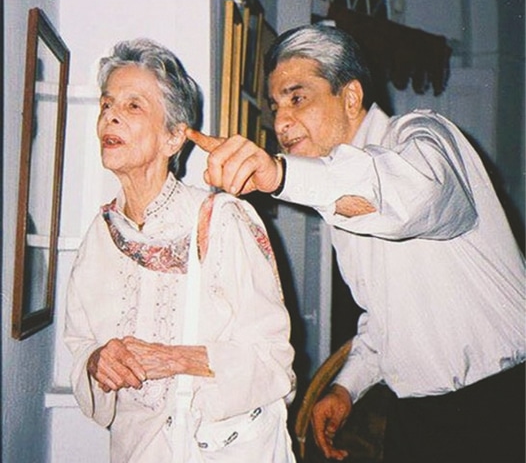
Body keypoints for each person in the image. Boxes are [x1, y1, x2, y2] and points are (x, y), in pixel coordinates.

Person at [186, 24, 526, 463]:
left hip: (501, 406)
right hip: (417, 417)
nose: (281, 121)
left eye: (297, 97)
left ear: (350, 97)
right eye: (275, 105)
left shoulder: (423, 136)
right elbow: (384, 317)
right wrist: (347, 388)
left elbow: (415, 198)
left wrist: (281, 174)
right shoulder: (336, 189)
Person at [64, 38, 297, 463]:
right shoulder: (99, 237)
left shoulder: (221, 221)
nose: (110, 115)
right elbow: (80, 345)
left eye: (133, 106)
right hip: (134, 451)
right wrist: (98, 362)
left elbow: (273, 361)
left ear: (174, 137)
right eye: (106, 104)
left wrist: (173, 359)